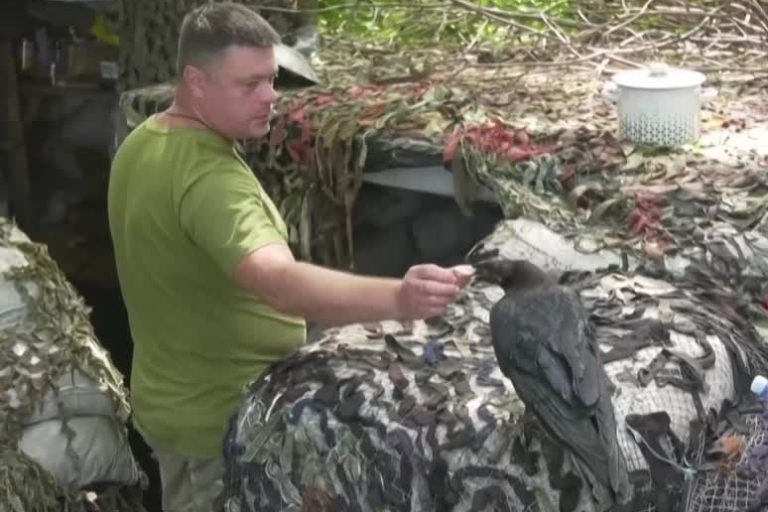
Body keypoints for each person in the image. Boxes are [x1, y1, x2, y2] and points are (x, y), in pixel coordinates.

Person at [107, 3, 471, 511]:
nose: (271, 98)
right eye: (249, 84)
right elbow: (276, 281)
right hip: (221, 426)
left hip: (172, 402)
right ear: (196, 80)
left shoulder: (144, 141)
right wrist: (401, 297)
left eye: (272, 80)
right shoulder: (212, 180)